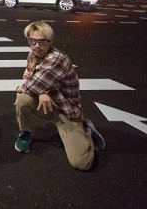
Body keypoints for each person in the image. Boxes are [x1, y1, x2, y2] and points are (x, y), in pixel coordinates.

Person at [14, 21, 105, 171]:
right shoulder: (33, 55)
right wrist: (42, 92)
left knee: (82, 163)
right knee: (23, 99)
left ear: (50, 41)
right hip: (48, 106)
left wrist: (29, 88)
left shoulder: (56, 59)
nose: (36, 45)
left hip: (66, 112)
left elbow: (30, 85)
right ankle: (25, 133)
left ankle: (87, 130)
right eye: (32, 40)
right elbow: (30, 78)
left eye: (42, 41)